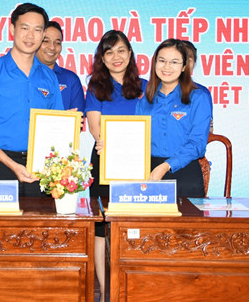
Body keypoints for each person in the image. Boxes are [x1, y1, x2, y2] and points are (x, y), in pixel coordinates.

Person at [0, 3, 63, 197]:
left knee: (42, 218)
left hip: (41, 168)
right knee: (4, 219)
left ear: (43, 34)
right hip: (2, 164)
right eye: (24, 28)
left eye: (37, 30)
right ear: (12, 29)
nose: (30, 36)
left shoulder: (49, 77)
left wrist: (67, 123)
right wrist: (12, 164)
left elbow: (56, 125)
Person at [84, 30, 147, 298]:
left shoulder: (146, 87)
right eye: (109, 52)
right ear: (102, 58)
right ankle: (106, 292)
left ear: (130, 54)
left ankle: (133, 288)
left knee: (135, 224)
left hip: (139, 164)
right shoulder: (96, 88)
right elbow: (95, 128)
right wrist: (111, 145)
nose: (116, 57)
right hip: (105, 161)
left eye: (121, 50)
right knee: (101, 228)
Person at [136, 39, 212, 197]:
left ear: (184, 66)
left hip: (184, 172)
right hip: (148, 174)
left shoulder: (199, 97)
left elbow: (197, 143)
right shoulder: (145, 99)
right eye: (162, 60)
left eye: (174, 62)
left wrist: (166, 166)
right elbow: (135, 138)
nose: (167, 67)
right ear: (154, 63)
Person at [36, 20, 85, 113]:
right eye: (46, 41)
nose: (52, 47)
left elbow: (78, 117)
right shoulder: (25, 76)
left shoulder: (71, 79)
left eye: (57, 43)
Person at [182, 40, 213, 133]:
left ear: (194, 63)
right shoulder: (156, 90)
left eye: (189, 59)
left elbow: (208, 131)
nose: (185, 63)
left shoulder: (201, 93)